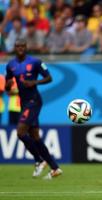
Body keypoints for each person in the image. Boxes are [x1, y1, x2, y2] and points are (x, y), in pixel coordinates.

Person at [5, 39, 62, 179]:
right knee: (35, 136)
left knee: (20, 132)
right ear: (14, 47)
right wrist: (8, 85)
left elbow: (49, 78)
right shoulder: (10, 65)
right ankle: (54, 168)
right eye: (17, 46)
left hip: (34, 101)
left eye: (22, 46)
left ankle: (39, 160)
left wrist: (34, 82)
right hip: (24, 102)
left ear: (26, 47)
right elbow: (7, 85)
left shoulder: (35, 62)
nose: (20, 48)